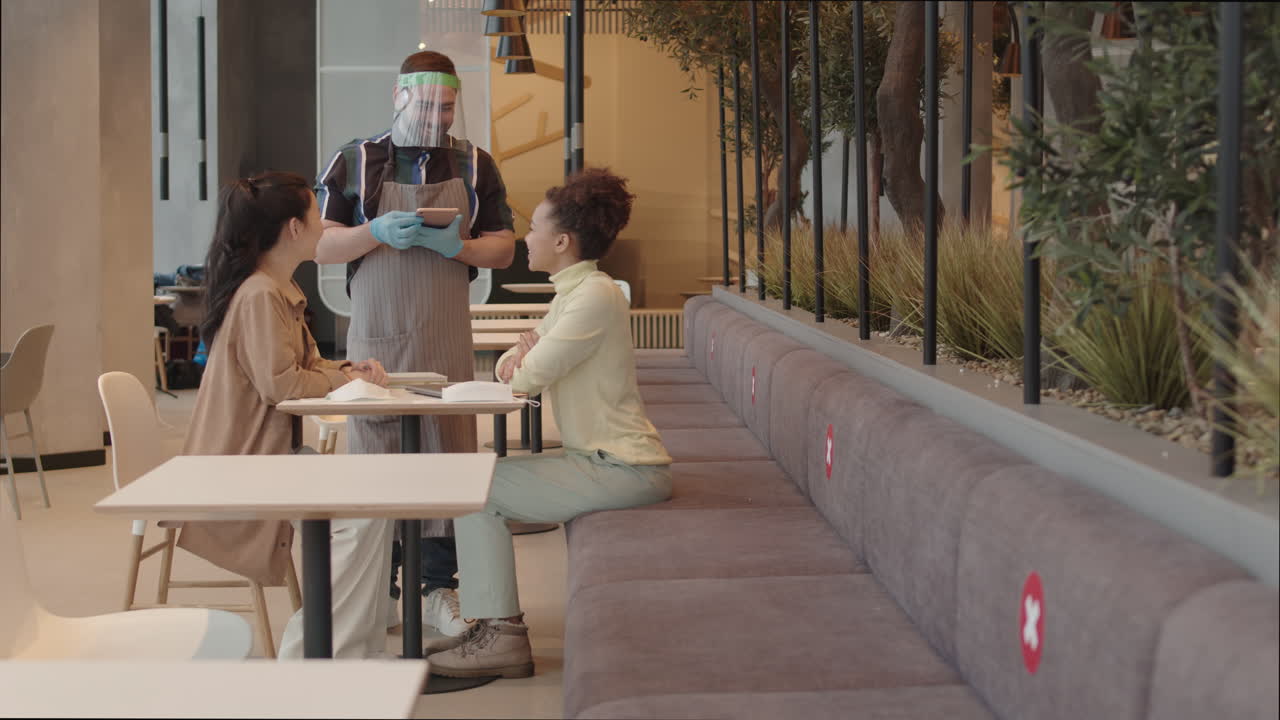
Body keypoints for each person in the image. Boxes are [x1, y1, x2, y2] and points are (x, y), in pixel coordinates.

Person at [427, 168, 672, 679]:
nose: (526, 238)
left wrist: (521, 358)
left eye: (534, 227)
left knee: (477, 491)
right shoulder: (572, 293)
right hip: (602, 462)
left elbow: (526, 376)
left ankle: (502, 636)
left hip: (624, 467)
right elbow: (506, 365)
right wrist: (519, 357)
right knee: (472, 483)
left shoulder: (594, 296)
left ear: (561, 240)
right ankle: (493, 626)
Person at [313, 49, 516, 643]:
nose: (437, 116)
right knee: (379, 456)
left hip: (446, 332)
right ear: (398, 95)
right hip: (378, 333)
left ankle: (435, 589)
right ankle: (376, 592)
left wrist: (461, 249)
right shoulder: (355, 161)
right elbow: (322, 246)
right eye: (426, 103)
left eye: (447, 106)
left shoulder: (476, 164)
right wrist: (373, 232)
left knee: (444, 457)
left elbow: (503, 246)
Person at [175, 171, 388, 657]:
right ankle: (310, 652)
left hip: (270, 454)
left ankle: (346, 648)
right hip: (248, 462)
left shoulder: (275, 289)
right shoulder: (260, 294)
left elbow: (305, 367)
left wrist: (349, 370)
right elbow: (284, 385)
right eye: (316, 215)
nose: (323, 225)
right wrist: (347, 380)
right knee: (364, 517)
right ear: (293, 228)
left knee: (375, 506)